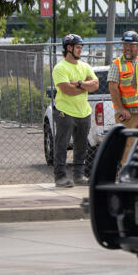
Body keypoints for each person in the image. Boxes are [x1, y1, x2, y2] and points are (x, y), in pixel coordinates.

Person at [51, 33, 99, 188]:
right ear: (69, 48)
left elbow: (96, 85)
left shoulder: (85, 66)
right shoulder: (60, 68)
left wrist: (77, 83)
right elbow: (67, 90)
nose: (80, 50)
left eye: (81, 47)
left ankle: (79, 176)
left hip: (83, 112)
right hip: (65, 111)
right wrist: (85, 86)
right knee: (62, 144)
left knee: (81, 146)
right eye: (78, 47)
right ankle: (60, 177)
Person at [108, 30, 138, 164]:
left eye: (131, 45)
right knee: (127, 145)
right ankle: (125, 174)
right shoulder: (117, 64)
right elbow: (113, 87)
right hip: (127, 114)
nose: (127, 48)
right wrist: (121, 109)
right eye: (125, 45)